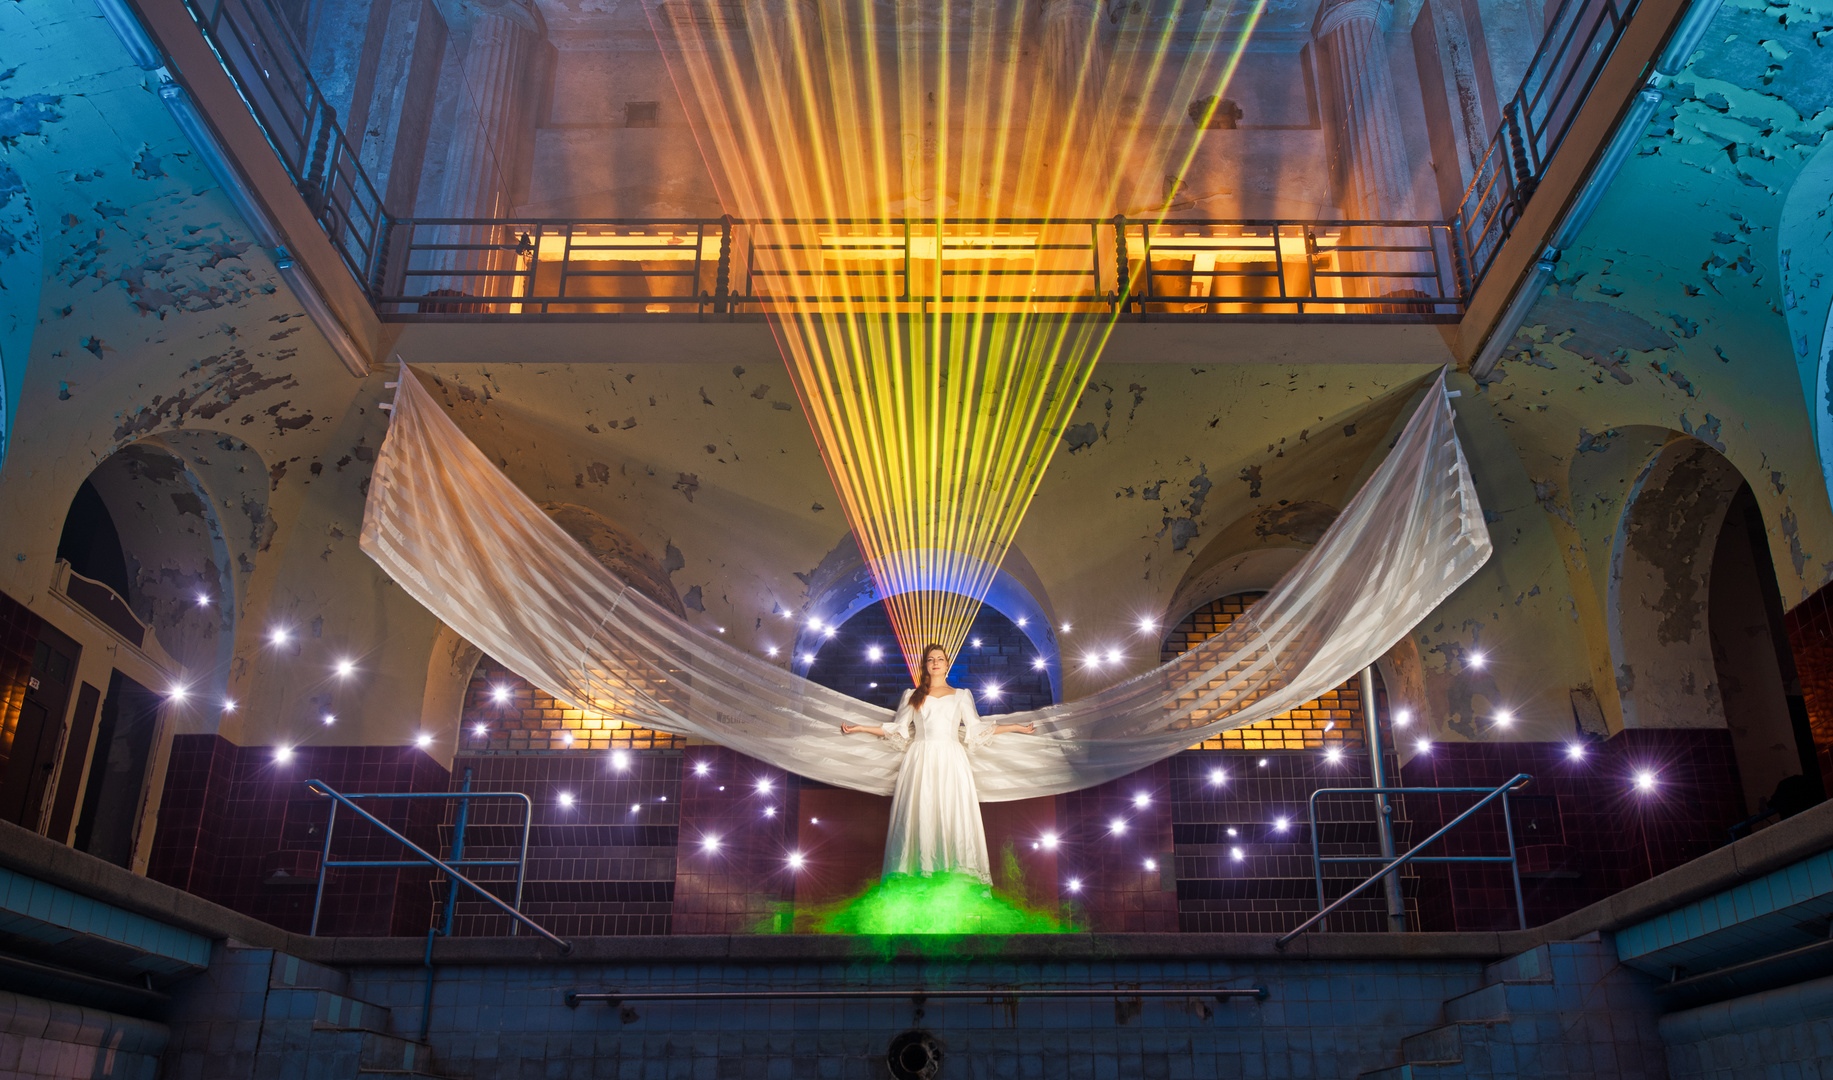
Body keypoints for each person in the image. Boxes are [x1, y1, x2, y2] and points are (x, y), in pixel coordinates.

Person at [841, 643, 1036, 882]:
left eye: (939, 659)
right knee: (921, 809)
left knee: (953, 808)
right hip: (920, 759)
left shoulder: (962, 695)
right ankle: (919, 870)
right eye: (930, 659)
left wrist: (1015, 727)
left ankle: (954, 870)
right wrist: (861, 728)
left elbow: (976, 729)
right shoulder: (911, 696)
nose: (935, 662)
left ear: (947, 664)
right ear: (925, 665)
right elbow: (899, 730)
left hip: (952, 759)